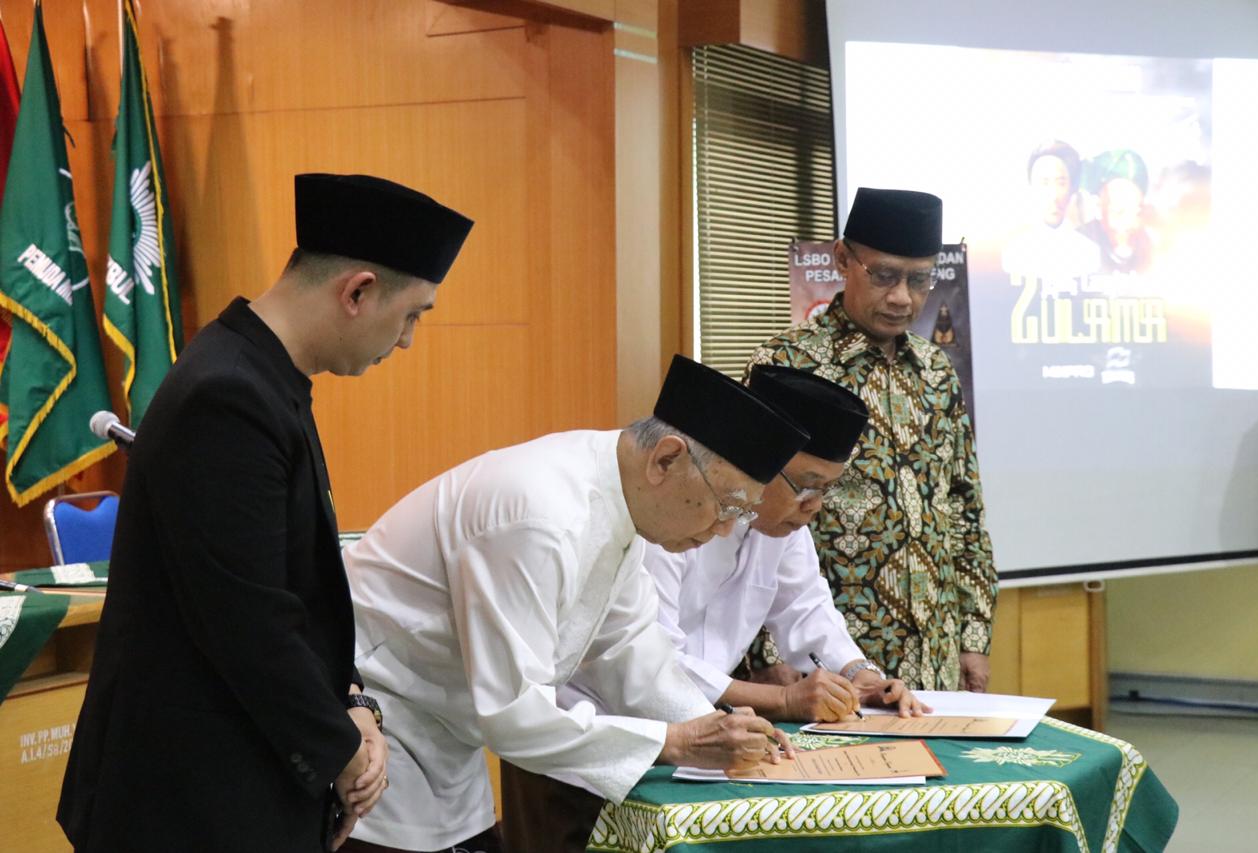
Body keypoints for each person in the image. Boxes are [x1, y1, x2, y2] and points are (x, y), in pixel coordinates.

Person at [57, 174, 473, 853]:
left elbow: (295, 593)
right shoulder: (229, 393)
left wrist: (353, 700)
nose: (406, 342)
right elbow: (246, 619)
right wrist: (340, 748)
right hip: (182, 805)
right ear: (359, 291)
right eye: (413, 314)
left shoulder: (264, 377)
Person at [340, 354, 807, 853]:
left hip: (448, 735)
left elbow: (628, 648)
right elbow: (515, 713)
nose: (725, 529)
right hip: (379, 726)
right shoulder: (541, 514)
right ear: (666, 460)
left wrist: (717, 731)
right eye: (729, 505)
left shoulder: (617, 493)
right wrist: (676, 742)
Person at [746, 187, 998, 693]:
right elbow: (747, 512)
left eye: (919, 279)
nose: (902, 296)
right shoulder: (787, 367)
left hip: (934, 651)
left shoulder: (936, 372)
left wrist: (973, 636)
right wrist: (766, 650)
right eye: (883, 275)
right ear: (843, 259)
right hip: (826, 656)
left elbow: (964, 509)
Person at [636, 365, 930, 722]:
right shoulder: (671, 514)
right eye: (807, 485)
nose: (815, 505)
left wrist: (861, 678)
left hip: (708, 719)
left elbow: (805, 605)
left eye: (826, 489)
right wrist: (784, 700)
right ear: (760, 462)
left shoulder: (781, 526)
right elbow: (651, 660)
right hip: (627, 725)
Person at [1001, 140, 1101, 288]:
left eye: (1061, 183)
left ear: (1071, 188)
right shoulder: (1015, 253)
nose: (1053, 194)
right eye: (1045, 183)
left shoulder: (1089, 253)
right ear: (1031, 187)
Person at [1078, 148, 1153, 274]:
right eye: (1119, 211)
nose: (1128, 222)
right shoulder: (1077, 245)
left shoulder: (1153, 249)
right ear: (1098, 208)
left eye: (1137, 213)